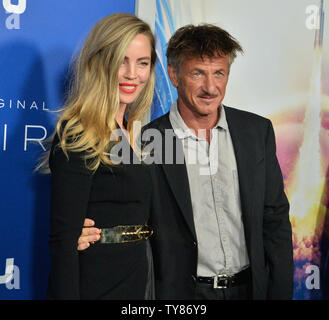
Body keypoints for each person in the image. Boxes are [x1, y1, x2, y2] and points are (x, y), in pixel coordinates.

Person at [78, 24, 294, 300]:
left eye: (219, 73)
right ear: (174, 75)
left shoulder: (256, 131)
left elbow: (274, 220)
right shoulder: (145, 142)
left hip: (250, 290)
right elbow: (123, 213)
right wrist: (82, 232)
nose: (210, 87)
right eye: (197, 74)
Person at [44, 13, 157, 299]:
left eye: (142, 63)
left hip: (135, 281)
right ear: (100, 62)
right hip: (97, 285)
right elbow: (64, 243)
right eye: (122, 60)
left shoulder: (129, 132)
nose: (133, 73)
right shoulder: (79, 133)